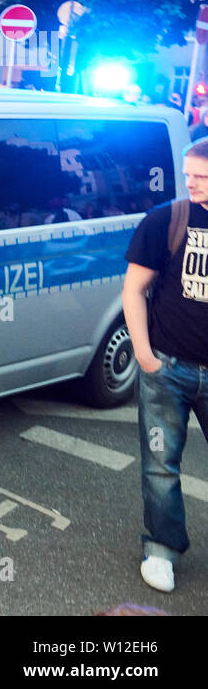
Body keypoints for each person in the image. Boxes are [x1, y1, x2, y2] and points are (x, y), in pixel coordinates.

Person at [124, 138, 208, 593]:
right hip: (168, 367)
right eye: (188, 173)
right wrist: (144, 354)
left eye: (202, 176)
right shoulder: (167, 221)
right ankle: (162, 549)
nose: (191, 182)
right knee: (160, 465)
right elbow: (134, 289)